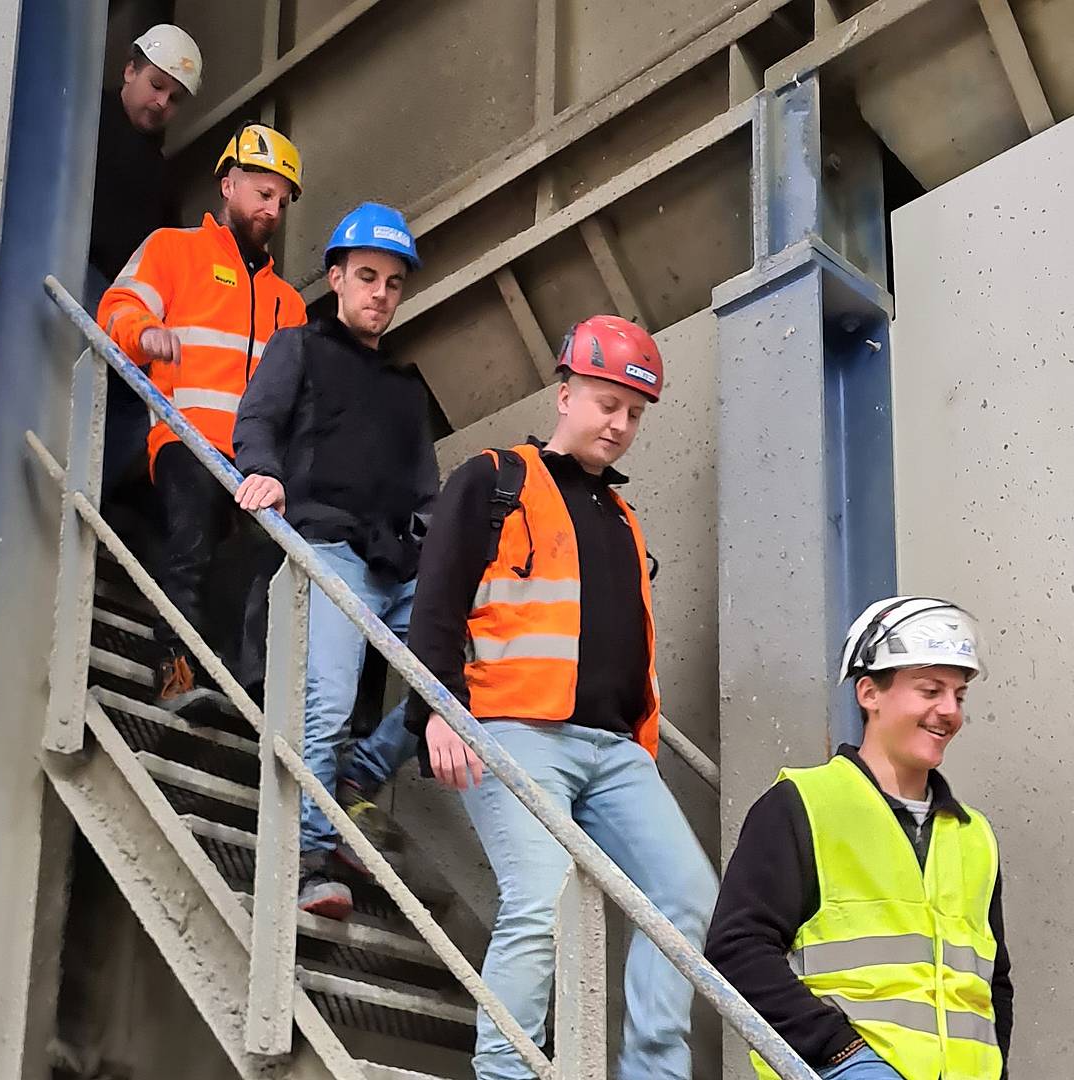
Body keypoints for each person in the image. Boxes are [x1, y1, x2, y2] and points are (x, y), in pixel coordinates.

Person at [409, 316, 715, 1079]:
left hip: (617, 753)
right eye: (607, 404)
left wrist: (639, 742)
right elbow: (436, 604)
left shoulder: (622, 520)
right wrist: (438, 710)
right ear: (565, 393)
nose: (620, 424)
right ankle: (505, 1071)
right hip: (515, 733)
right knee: (540, 899)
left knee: (685, 894)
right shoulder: (494, 479)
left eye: (634, 413)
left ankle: (652, 1073)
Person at [705, 596, 1012, 1080]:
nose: (949, 711)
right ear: (869, 693)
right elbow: (737, 947)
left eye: (959, 695)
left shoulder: (974, 836)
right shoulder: (804, 804)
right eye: (930, 690)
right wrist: (840, 1052)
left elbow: (994, 985)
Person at [231, 202, 434, 918]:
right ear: (338, 278)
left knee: (467, 672)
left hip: (397, 563)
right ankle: (307, 861)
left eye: (393, 283)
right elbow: (256, 420)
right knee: (328, 702)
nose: (380, 293)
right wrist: (263, 471)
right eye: (367, 277)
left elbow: (428, 492)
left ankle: (358, 778)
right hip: (326, 550)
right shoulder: (299, 348)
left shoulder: (407, 390)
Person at [96, 123, 307, 708]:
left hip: (253, 465)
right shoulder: (174, 249)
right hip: (185, 438)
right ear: (228, 184)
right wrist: (145, 334)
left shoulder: (289, 304)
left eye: (281, 201)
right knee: (189, 550)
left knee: (252, 567)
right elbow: (117, 306)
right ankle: (176, 671)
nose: (272, 210)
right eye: (263, 193)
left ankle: (234, 688)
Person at [89, 24, 202, 497]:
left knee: (152, 403)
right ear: (129, 71)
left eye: (174, 98)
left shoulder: (161, 178)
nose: (161, 103)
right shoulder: (82, 118)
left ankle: (89, 486)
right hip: (78, 278)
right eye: (156, 85)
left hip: (125, 305)